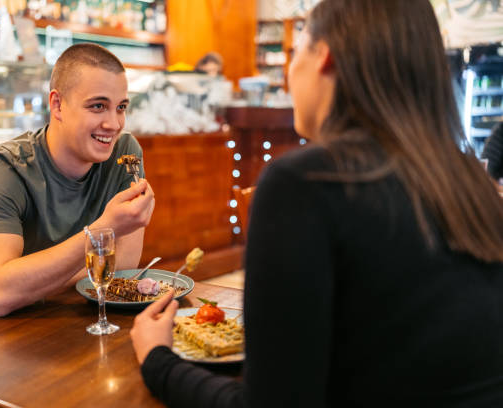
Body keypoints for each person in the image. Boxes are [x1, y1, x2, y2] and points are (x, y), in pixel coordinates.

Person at [130, 0, 503, 407]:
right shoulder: (472, 184)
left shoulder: (305, 183)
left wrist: (158, 359)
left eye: (296, 52)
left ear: (323, 55)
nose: (290, 72)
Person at [0, 43, 155, 335]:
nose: (114, 123)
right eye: (97, 106)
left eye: (121, 107)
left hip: (62, 310)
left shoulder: (124, 152)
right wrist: (103, 230)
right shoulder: (2, 169)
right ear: (57, 105)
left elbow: (125, 262)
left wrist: (24, 290)